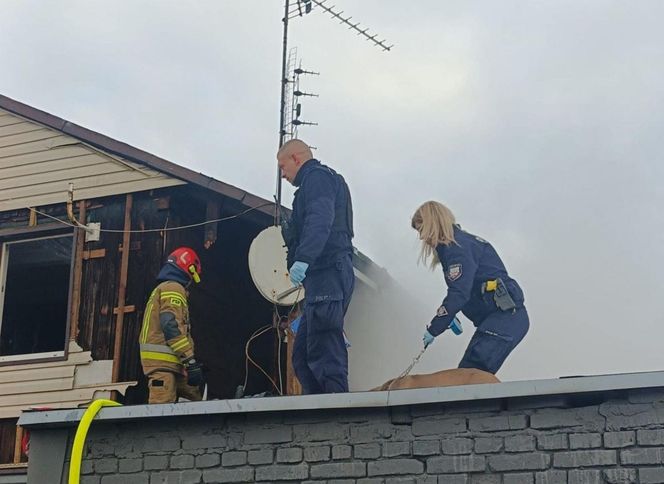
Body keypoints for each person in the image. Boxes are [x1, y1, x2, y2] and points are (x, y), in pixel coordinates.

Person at [412, 201, 529, 374]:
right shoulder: (461, 245)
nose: (422, 237)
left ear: (432, 223)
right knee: (467, 376)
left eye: (421, 229)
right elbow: (468, 286)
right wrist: (453, 312)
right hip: (501, 320)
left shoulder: (458, 248)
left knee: (468, 377)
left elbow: (459, 293)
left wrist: (436, 326)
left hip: (504, 319)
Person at [278, 139, 355, 394]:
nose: (282, 173)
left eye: (283, 165)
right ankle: (316, 412)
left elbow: (320, 218)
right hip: (321, 277)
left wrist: (304, 258)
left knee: (325, 350)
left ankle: (336, 413)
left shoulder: (317, 179)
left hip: (327, 273)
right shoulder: (316, 182)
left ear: (296, 159)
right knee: (302, 359)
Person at [139, 247, 205, 403]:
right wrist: (190, 360)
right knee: (161, 414)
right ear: (189, 269)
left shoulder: (164, 288)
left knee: (193, 400)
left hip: (175, 365)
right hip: (163, 367)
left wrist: (188, 364)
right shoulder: (173, 288)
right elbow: (171, 326)